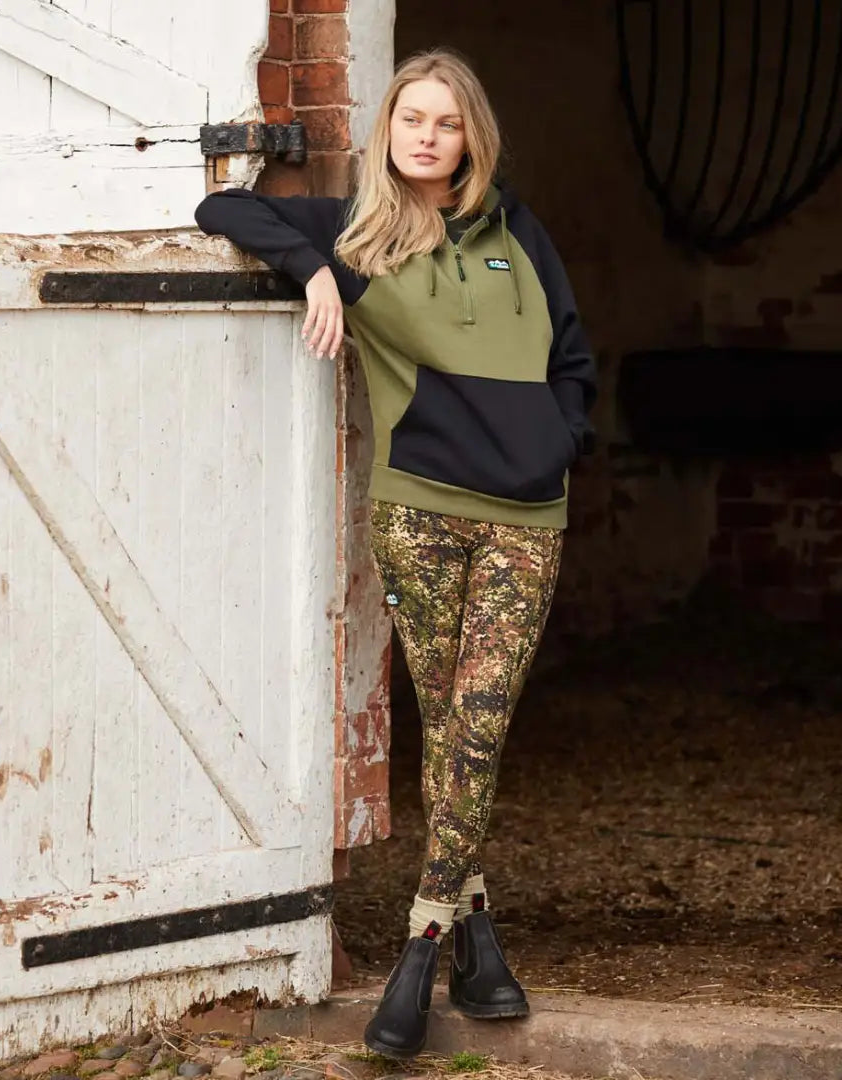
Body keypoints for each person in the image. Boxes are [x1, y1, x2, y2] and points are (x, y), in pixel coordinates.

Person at [195, 47, 596, 1060]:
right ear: (388, 131)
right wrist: (318, 268)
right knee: (452, 728)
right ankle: (480, 936)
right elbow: (223, 212)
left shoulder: (522, 235)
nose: (427, 136)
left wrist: (558, 441)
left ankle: (419, 948)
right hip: (418, 516)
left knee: (479, 727)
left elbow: (576, 360)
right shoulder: (358, 232)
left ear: (473, 137)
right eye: (411, 118)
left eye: (446, 122)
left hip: (523, 520)